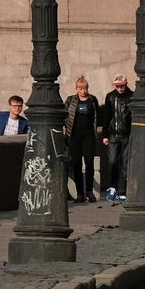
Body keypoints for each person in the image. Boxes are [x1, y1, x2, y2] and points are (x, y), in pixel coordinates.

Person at [64, 75, 103, 203]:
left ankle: (89, 191)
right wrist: (64, 127)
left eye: (85, 89)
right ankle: (80, 193)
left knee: (89, 161)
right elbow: (64, 115)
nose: (83, 91)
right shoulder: (71, 100)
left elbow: (97, 116)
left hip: (88, 135)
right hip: (74, 135)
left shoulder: (92, 100)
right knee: (76, 163)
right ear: (76, 89)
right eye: (80, 89)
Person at [100, 75, 134, 201]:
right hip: (113, 134)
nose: (120, 89)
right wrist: (105, 135)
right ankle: (113, 186)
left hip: (126, 134)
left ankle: (122, 190)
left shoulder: (132, 96)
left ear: (126, 84)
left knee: (125, 163)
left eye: (122, 86)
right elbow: (106, 116)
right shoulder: (110, 96)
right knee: (113, 161)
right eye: (118, 86)